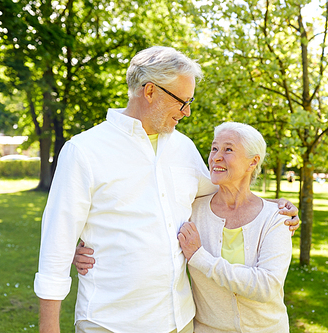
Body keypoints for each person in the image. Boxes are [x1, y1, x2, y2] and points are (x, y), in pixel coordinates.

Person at [35, 46, 299, 333]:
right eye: (182, 101)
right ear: (149, 92)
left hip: (179, 320)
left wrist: (274, 207)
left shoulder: (183, 147)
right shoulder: (84, 151)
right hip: (110, 322)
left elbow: (222, 190)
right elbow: (55, 249)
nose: (186, 112)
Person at [178, 122, 292, 332]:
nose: (216, 157)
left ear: (253, 162)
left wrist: (200, 257)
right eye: (214, 148)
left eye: (228, 149)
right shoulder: (192, 210)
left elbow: (266, 286)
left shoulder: (276, 218)